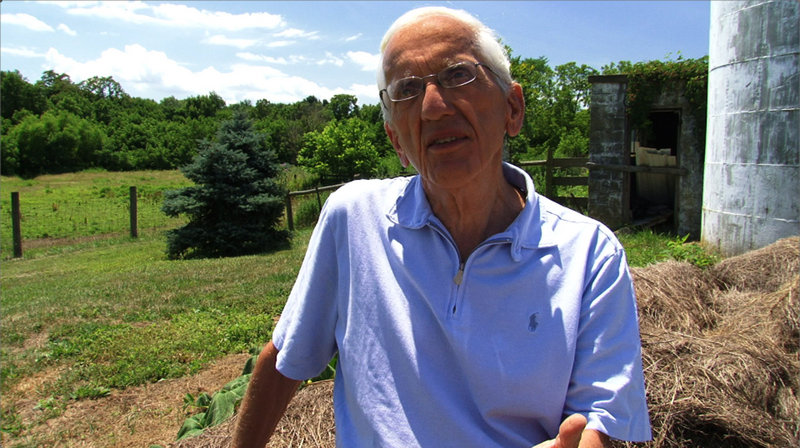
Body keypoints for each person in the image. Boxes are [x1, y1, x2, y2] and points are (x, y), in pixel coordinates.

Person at [233, 6, 651, 448]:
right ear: (397, 141)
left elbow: (598, 426)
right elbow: (283, 359)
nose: (432, 107)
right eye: (407, 90)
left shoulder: (589, 254)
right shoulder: (353, 218)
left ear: (513, 108)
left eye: (458, 76)